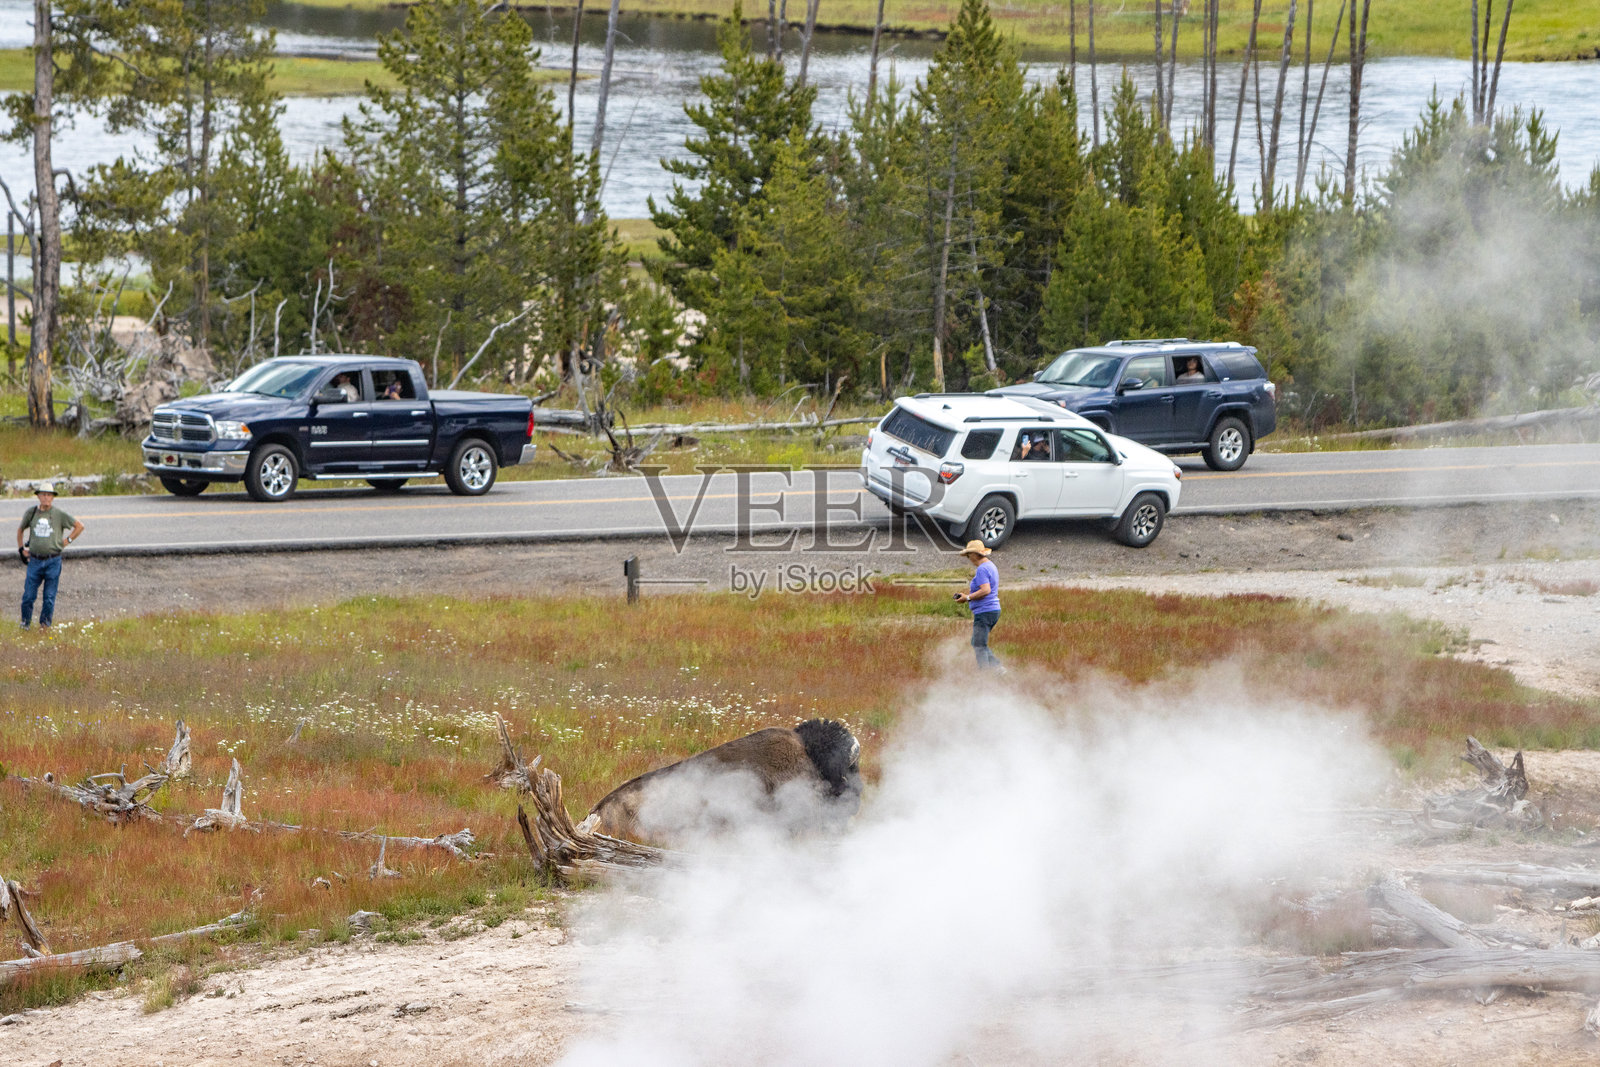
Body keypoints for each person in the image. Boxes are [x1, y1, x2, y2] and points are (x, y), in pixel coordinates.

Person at [17, 481, 84, 631]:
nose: (46, 498)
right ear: (38, 496)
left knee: (49, 597)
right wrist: (21, 549)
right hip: (34, 560)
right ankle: (25, 623)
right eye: (43, 495)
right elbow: (20, 529)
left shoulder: (59, 514)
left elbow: (79, 526)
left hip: (53, 560)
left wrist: (67, 541)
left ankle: (45, 626)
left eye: (49, 495)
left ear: (53, 497)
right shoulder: (31, 513)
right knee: (28, 596)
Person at [953, 539, 1002, 670]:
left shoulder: (982, 569)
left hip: (984, 612)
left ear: (975, 554)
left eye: (969, 555)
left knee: (979, 646)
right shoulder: (991, 565)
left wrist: (967, 598)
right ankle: (998, 669)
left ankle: (986, 676)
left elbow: (986, 590)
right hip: (992, 610)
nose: (969, 558)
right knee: (978, 643)